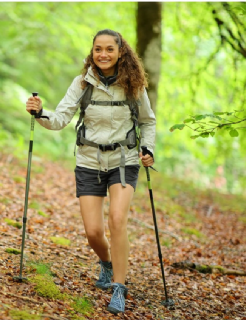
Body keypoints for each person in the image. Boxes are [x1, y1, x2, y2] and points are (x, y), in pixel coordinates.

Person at [25, 29, 156, 314]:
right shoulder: (82, 83)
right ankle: (107, 263)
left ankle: (119, 288)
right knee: (94, 232)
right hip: (89, 161)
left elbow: (148, 122)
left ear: (121, 52)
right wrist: (40, 112)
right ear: (92, 51)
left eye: (109, 49)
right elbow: (60, 118)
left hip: (124, 160)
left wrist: (148, 148)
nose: (103, 54)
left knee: (117, 220)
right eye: (98, 49)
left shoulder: (133, 85)